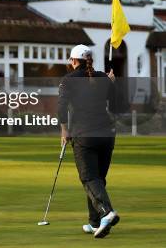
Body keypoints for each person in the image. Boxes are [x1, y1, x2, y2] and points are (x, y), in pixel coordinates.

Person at [58, 44, 125, 239]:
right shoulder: (104, 78)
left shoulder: (68, 80)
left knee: (89, 178)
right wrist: (112, 84)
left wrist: (64, 131)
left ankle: (107, 212)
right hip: (107, 135)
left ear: (73, 61)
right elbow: (118, 106)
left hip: (84, 135)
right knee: (98, 180)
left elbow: (61, 108)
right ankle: (95, 222)